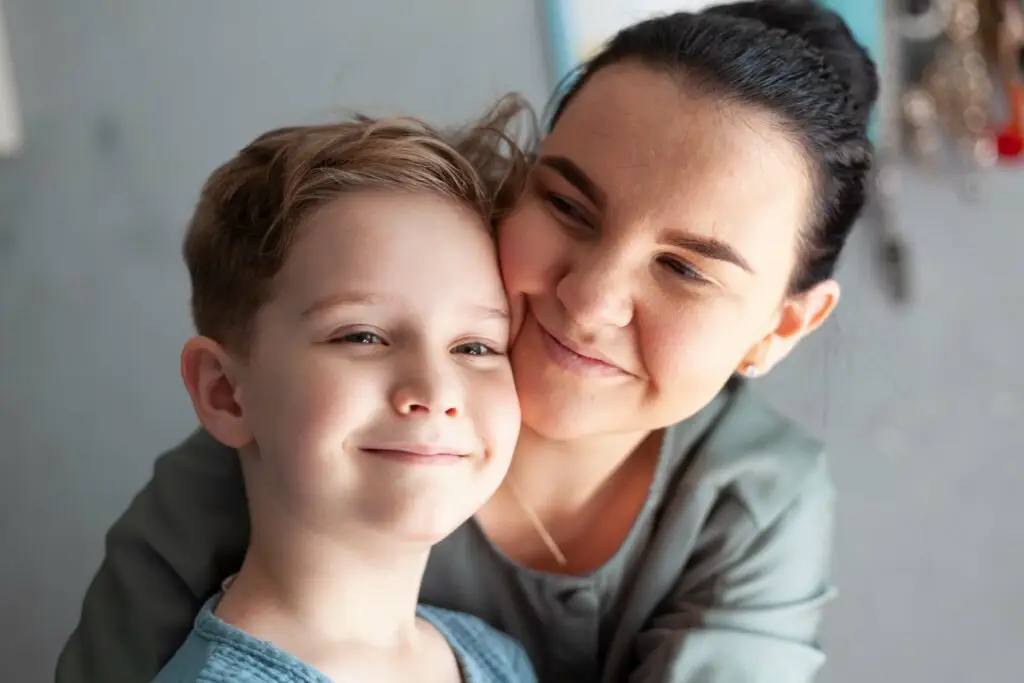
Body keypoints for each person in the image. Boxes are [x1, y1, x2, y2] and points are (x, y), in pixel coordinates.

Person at [57, 2, 878, 681]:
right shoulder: (291, 433)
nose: (589, 300)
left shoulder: (755, 501)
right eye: (568, 208)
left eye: (686, 270)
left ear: (780, 326)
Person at [146, 106, 537, 682]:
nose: (434, 391)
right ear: (225, 392)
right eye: (362, 335)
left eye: (475, 346)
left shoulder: (498, 661)